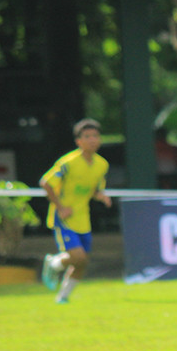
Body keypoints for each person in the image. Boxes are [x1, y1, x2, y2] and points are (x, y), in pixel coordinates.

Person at [39, 118, 113, 303]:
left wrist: (101, 196)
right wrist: (61, 207)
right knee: (78, 257)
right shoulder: (68, 162)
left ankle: (63, 297)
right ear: (78, 141)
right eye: (87, 136)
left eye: (95, 136)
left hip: (83, 218)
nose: (92, 140)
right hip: (64, 217)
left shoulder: (101, 164)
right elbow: (46, 183)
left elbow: (95, 189)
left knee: (82, 262)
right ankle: (55, 264)